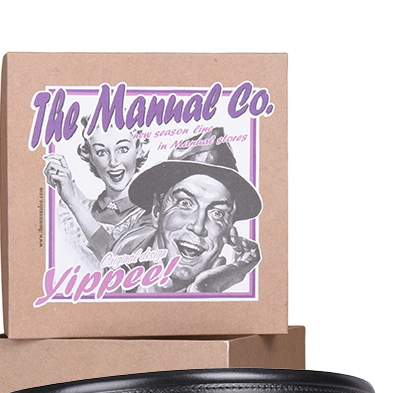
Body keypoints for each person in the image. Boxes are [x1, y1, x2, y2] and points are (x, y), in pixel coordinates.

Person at [111, 128, 262, 293]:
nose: (198, 227)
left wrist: (203, 291)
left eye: (217, 213)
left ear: (228, 230)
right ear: (156, 211)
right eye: (185, 203)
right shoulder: (120, 259)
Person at [43, 116, 149, 270]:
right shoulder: (71, 212)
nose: (113, 162)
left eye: (123, 149)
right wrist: (66, 185)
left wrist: (72, 199)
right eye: (101, 152)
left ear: (138, 150)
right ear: (90, 157)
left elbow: (119, 265)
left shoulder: (152, 215)